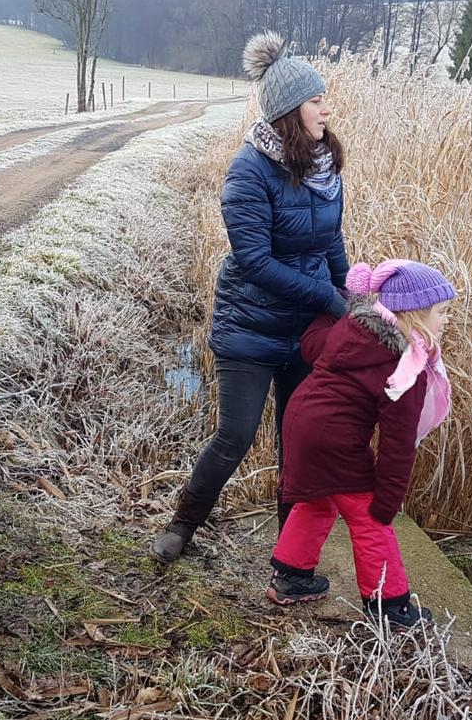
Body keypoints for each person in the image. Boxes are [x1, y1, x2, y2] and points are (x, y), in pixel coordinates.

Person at [150, 31, 349, 562]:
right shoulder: (248, 172)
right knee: (235, 436)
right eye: (316, 100)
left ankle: (290, 552)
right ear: (290, 110)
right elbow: (257, 263)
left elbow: (331, 238)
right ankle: (182, 525)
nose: (327, 109)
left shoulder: (325, 167)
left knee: (298, 443)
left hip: (305, 329)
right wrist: (330, 299)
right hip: (250, 326)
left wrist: (349, 295)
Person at [266, 260, 455, 629]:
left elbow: (311, 345)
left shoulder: (353, 327)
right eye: (441, 312)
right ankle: (390, 606)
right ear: (413, 315)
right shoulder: (405, 367)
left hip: (301, 420)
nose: (447, 320)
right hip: (335, 436)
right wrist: (387, 499)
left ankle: (291, 578)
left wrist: (328, 308)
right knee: (370, 518)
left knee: (317, 499)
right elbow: (398, 443)